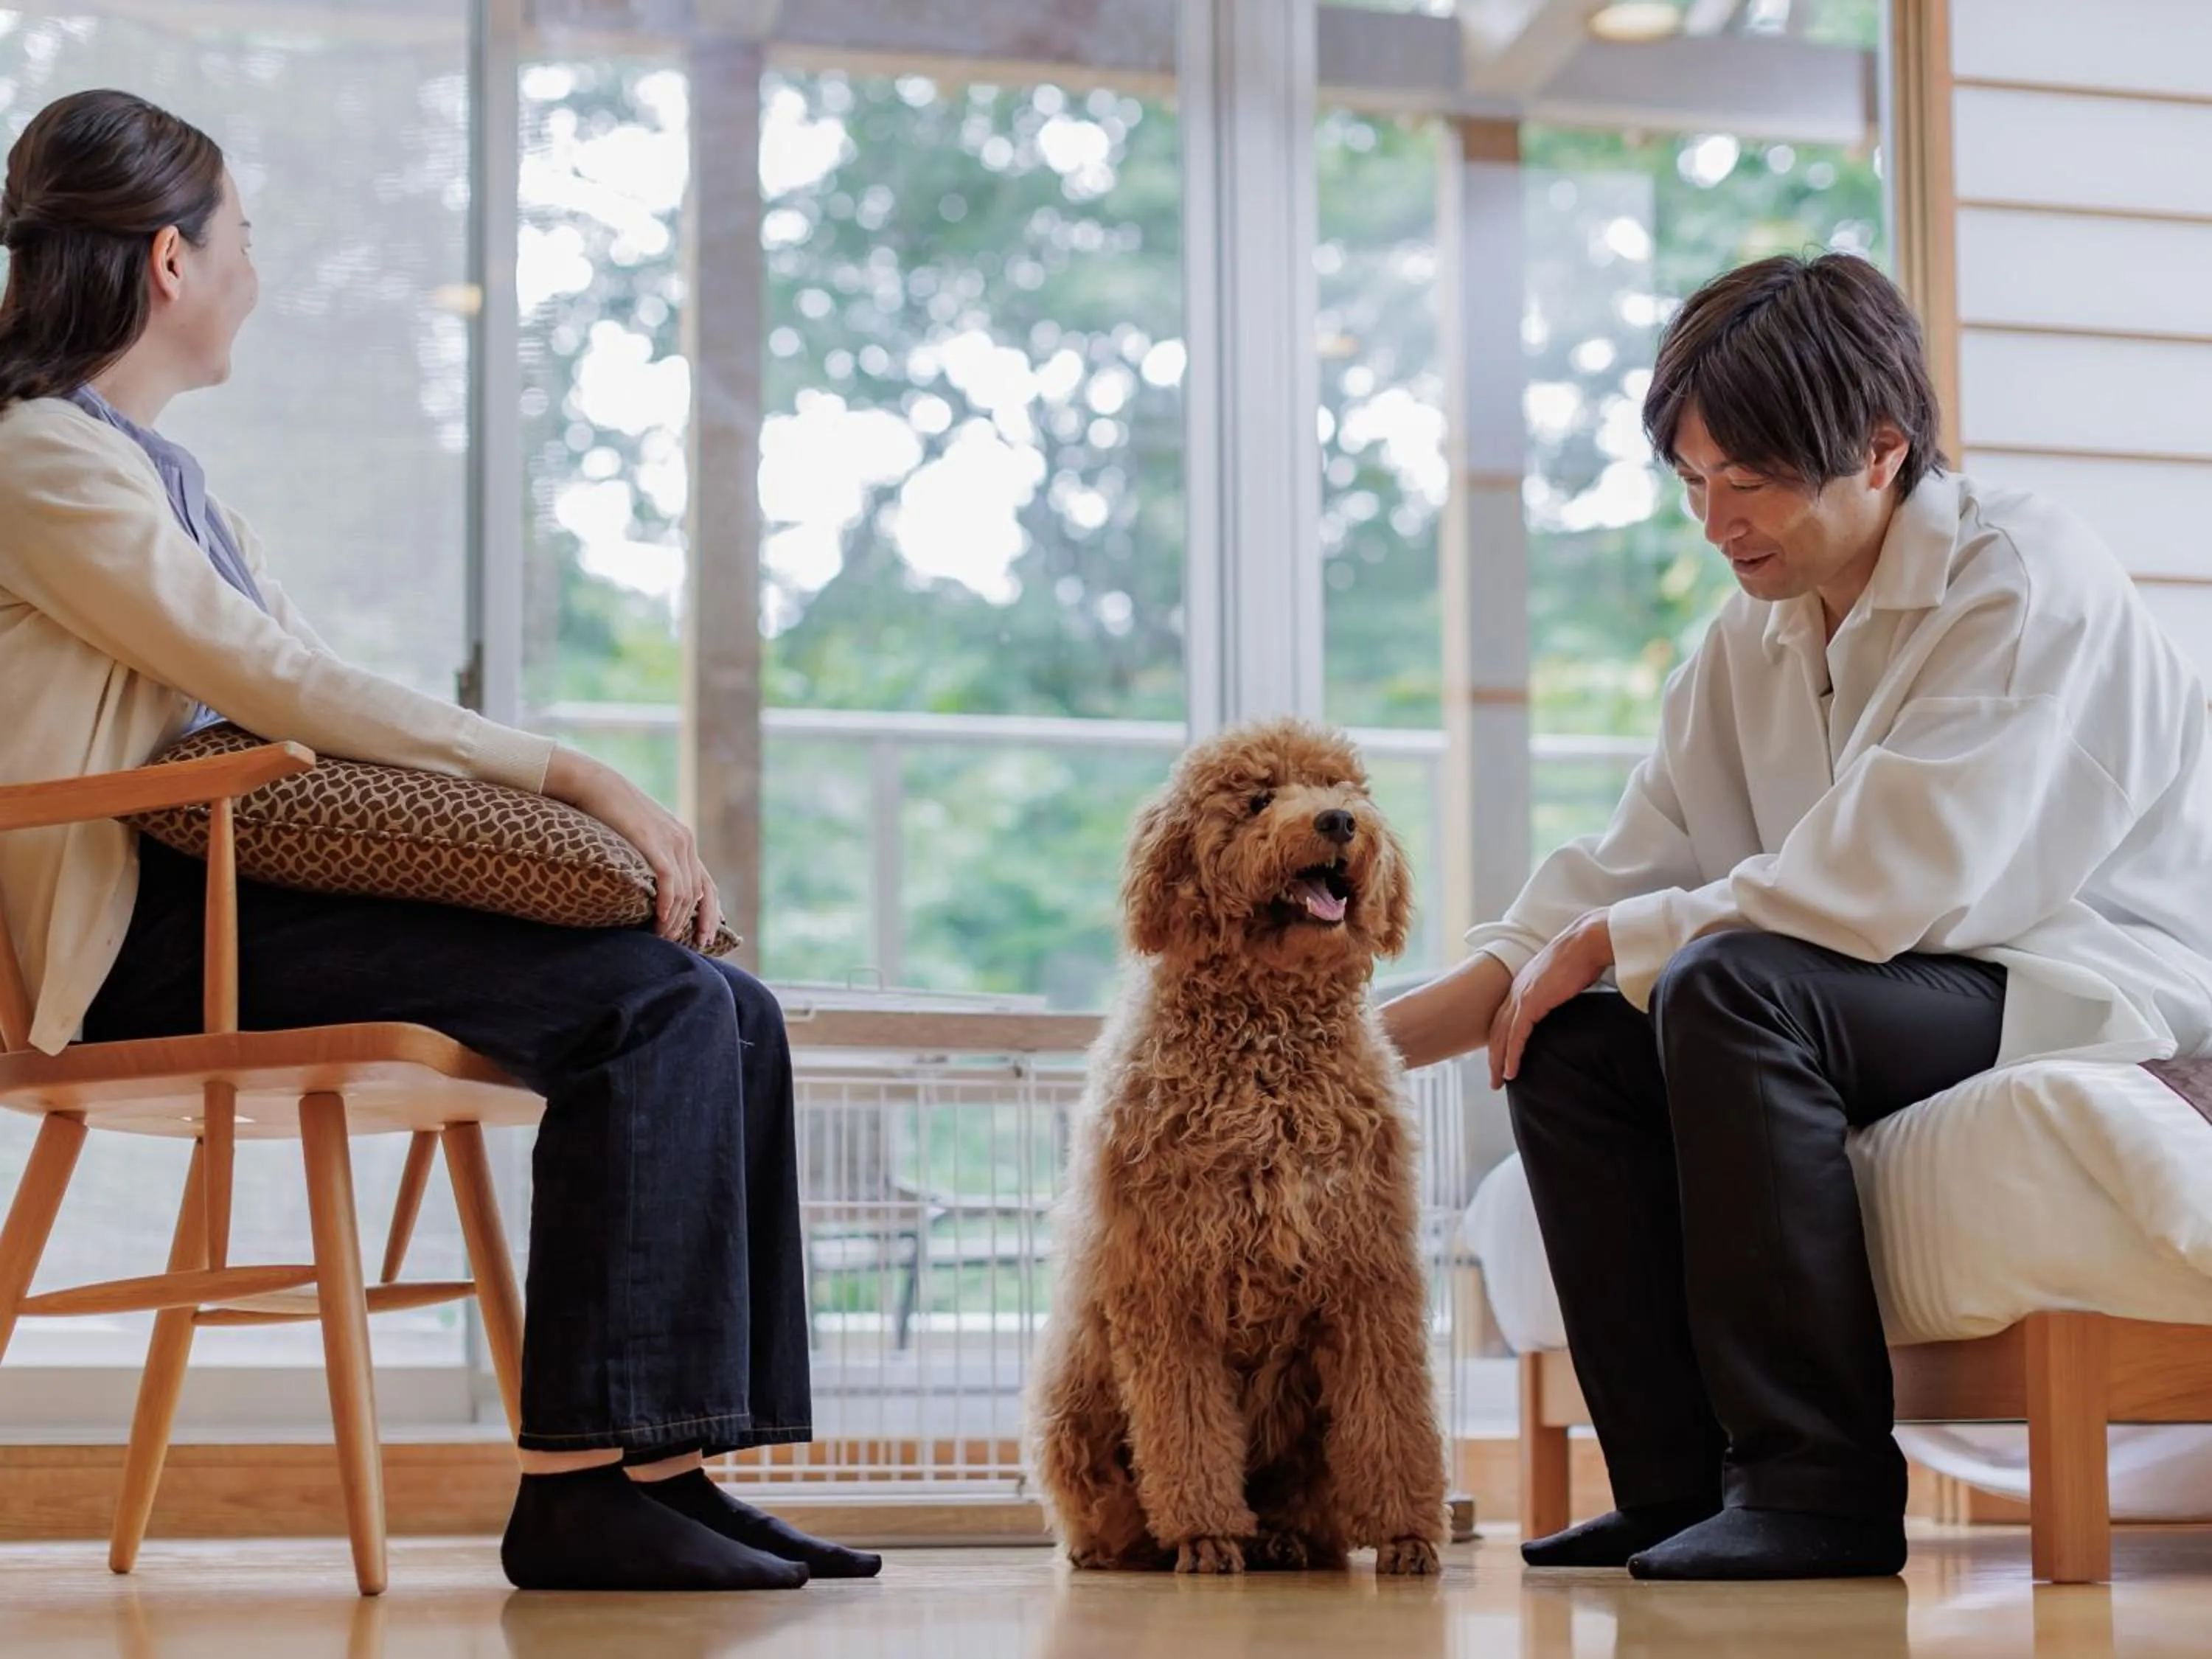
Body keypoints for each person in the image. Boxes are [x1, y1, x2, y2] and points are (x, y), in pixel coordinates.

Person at [0, 88, 880, 1594]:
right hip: (147, 935)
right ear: (169, 263)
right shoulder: (42, 464)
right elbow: (282, 688)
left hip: (210, 887)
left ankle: (666, 1462)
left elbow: (301, 690)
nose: (252, 279)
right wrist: (577, 779)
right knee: (653, 1002)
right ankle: (577, 1492)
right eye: (245, 244)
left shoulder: (151, 472)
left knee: (724, 999)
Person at [1383, 252, 2212, 1581]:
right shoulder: (1746, 640)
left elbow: (1897, 877)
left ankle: (1819, 1489)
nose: (1717, 521)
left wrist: (1616, 942)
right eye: (1695, 484)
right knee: (1578, 1039)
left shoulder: (2025, 576)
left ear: (1880, 449)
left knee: (1726, 981)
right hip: (1896, 982)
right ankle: (1672, 1487)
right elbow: (1619, 870)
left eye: (1750, 481)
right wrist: (1359, 1046)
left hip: (2075, 974)